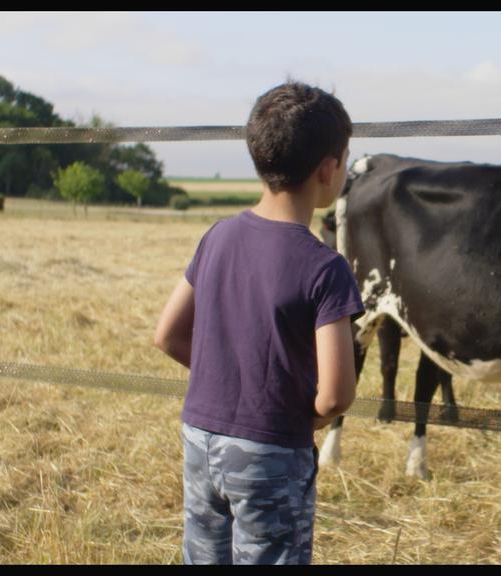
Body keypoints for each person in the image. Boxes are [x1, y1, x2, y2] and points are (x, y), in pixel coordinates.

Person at [153, 81, 362, 564]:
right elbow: (336, 395)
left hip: (200, 438)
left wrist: (234, 382)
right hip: (271, 452)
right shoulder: (325, 267)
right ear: (327, 169)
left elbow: (167, 335)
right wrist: (292, 412)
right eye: (346, 160)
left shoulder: (217, 237)